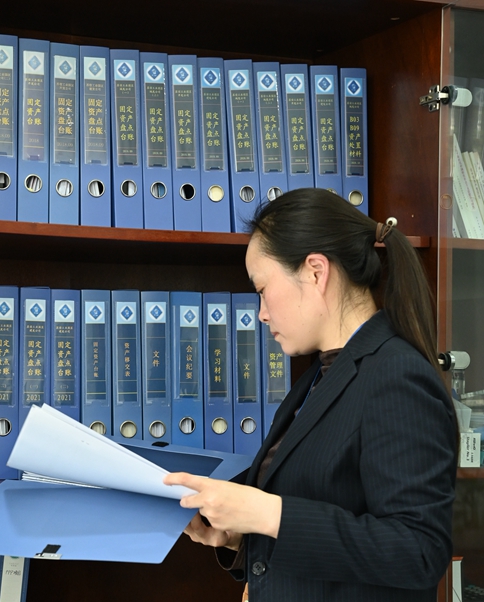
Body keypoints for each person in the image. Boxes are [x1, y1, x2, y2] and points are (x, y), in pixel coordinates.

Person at [164, 188, 457, 601]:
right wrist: (242, 537)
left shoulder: (397, 376)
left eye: (262, 289)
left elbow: (419, 551)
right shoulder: (318, 376)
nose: (261, 313)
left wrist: (267, 514)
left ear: (316, 272)